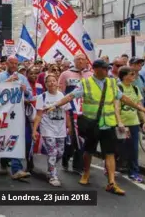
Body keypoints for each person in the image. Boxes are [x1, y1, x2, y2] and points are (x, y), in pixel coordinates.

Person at [46, 59, 145, 195]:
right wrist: (56, 104)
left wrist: (140, 107)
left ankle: (111, 183)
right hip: (92, 124)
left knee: (109, 153)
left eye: (107, 69)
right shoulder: (86, 83)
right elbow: (71, 96)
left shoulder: (111, 82)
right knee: (89, 151)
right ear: (96, 69)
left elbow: (122, 98)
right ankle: (86, 173)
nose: (107, 71)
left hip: (109, 124)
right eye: (104, 69)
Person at [0, 56, 33, 179]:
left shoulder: (22, 78)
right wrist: (8, 81)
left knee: (17, 138)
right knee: (4, 138)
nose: (14, 66)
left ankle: (16, 168)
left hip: (18, 113)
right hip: (3, 113)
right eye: (11, 63)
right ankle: (3, 161)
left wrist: (26, 91)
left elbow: (30, 95)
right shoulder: (0, 76)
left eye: (16, 64)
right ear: (6, 63)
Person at [32, 74, 70, 187]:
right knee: (52, 152)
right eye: (49, 81)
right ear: (46, 84)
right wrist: (34, 130)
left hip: (60, 129)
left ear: (57, 83)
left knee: (60, 152)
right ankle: (53, 176)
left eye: (54, 80)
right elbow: (38, 115)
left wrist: (69, 127)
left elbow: (67, 113)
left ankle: (50, 168)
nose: (52, 83)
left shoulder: (62, 96)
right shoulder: (42, 97)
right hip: (47, 128)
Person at [58, 53, 92, 174]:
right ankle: (66, 157)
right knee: (73, 138)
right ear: (74, 61)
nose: (81, 61)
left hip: (86, 111)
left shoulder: (90, 75)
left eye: (83, 59)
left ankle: (78, 165)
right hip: (71, 111)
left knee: (83, 138)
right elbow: (60, 92)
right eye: (78, 59)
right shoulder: (65, 74)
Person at [116, 66, 145, 182]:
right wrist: (119, 122)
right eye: (131, 74)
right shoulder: (118, 88)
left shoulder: (135, 89)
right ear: (124, 76)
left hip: (134, 123)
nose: (134, 76)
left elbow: (139, 107)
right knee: (120, 148)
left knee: (133, 149)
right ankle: (113, 165)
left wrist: (143, 121)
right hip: (122, 124)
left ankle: (134, 172)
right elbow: (116, 107)